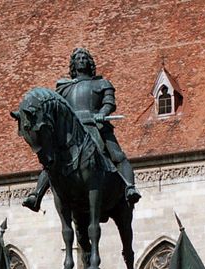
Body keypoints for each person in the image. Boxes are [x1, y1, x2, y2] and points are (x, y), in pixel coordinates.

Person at [23, 47, 141, 212]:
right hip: (72, 131)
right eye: (77, 58)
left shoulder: (101, 83)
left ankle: (130, 187)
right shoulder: (64, 88)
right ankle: (36, 195)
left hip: (97, 126)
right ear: (73, 64)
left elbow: (109, 103)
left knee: (117, 156)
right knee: (52, 161)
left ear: (90, 63)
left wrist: (101, 113)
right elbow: (58, 109)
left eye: (85, 58)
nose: (81, 61)